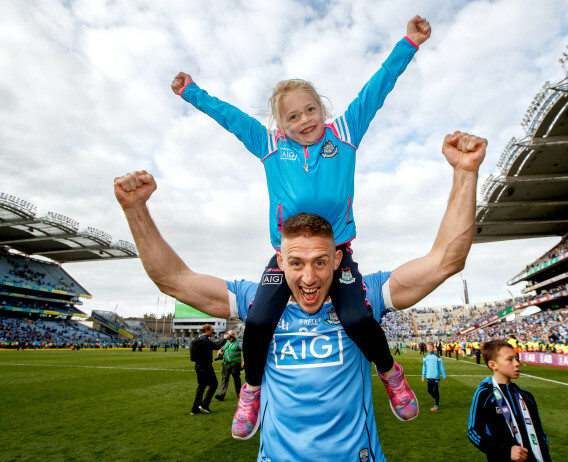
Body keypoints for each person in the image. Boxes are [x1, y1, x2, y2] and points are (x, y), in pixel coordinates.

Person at [114, 130, 485, 460]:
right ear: (279, 260)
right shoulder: (254, 299)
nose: (309, 277)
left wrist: (465, 173)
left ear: (339, 258)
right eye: (296, 263)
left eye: (321, 262)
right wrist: (136, 210)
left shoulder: (365, 293)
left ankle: (393, 377)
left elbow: (445, 261)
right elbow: (173, 279)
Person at [170, 16, 432, 437]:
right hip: (287, 256)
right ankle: (251, 391)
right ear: (280, 125)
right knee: (257, 323)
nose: (305, 119)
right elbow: (231, 117)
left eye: (311, 109)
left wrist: (410, 43)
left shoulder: (344, 133)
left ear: (322, 109)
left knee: (358, 319)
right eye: (293, 116)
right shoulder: (270, 145)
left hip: (337, 253)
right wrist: (191, 92)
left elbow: (379, 86)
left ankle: (390, 374)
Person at [468, 339, 551, 462]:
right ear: (493, 365)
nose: (516, 363)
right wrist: (505, 451)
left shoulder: (526, 396)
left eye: (517, 358)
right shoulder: (485, 394)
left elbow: (541, 435)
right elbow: (473, 432)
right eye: (509, 360)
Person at [189, 324, 227, 414]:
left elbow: (192, 358)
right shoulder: (205, 340)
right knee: (213, 384)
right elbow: (217, 346)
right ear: (206, 330)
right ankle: (204, 404)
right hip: (206, 366)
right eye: (211, 330)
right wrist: (225, 338)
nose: (212, 332)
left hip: (198, 366)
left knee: (201, 387)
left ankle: (195, 408)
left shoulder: (194, 340)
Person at [214, 330, 243, 402]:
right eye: (230, 335)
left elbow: (245, 350)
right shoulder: (226, 342)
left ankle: (239, 393)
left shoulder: (239, 342)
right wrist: (220, 351)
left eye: (233, 335)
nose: (232, 336)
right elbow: (221, 348)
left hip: (235, 364)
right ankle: (221, 394)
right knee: (224, 379)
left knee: (236, 379)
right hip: (226, 363)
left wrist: (244, 361)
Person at [421, 342, 447, 411]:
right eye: (428, 347)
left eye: (431, 347)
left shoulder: (437, 357)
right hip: (429, 377)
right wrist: (423, 376)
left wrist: (444, 376)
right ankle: (436, 399)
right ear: (427, 348)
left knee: (436, 390)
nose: (430, 348)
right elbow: (424, 367)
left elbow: (441, 367)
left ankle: (436, 404)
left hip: (436, 377)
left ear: (433, 347)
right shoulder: (425, 357)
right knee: (429, 390)